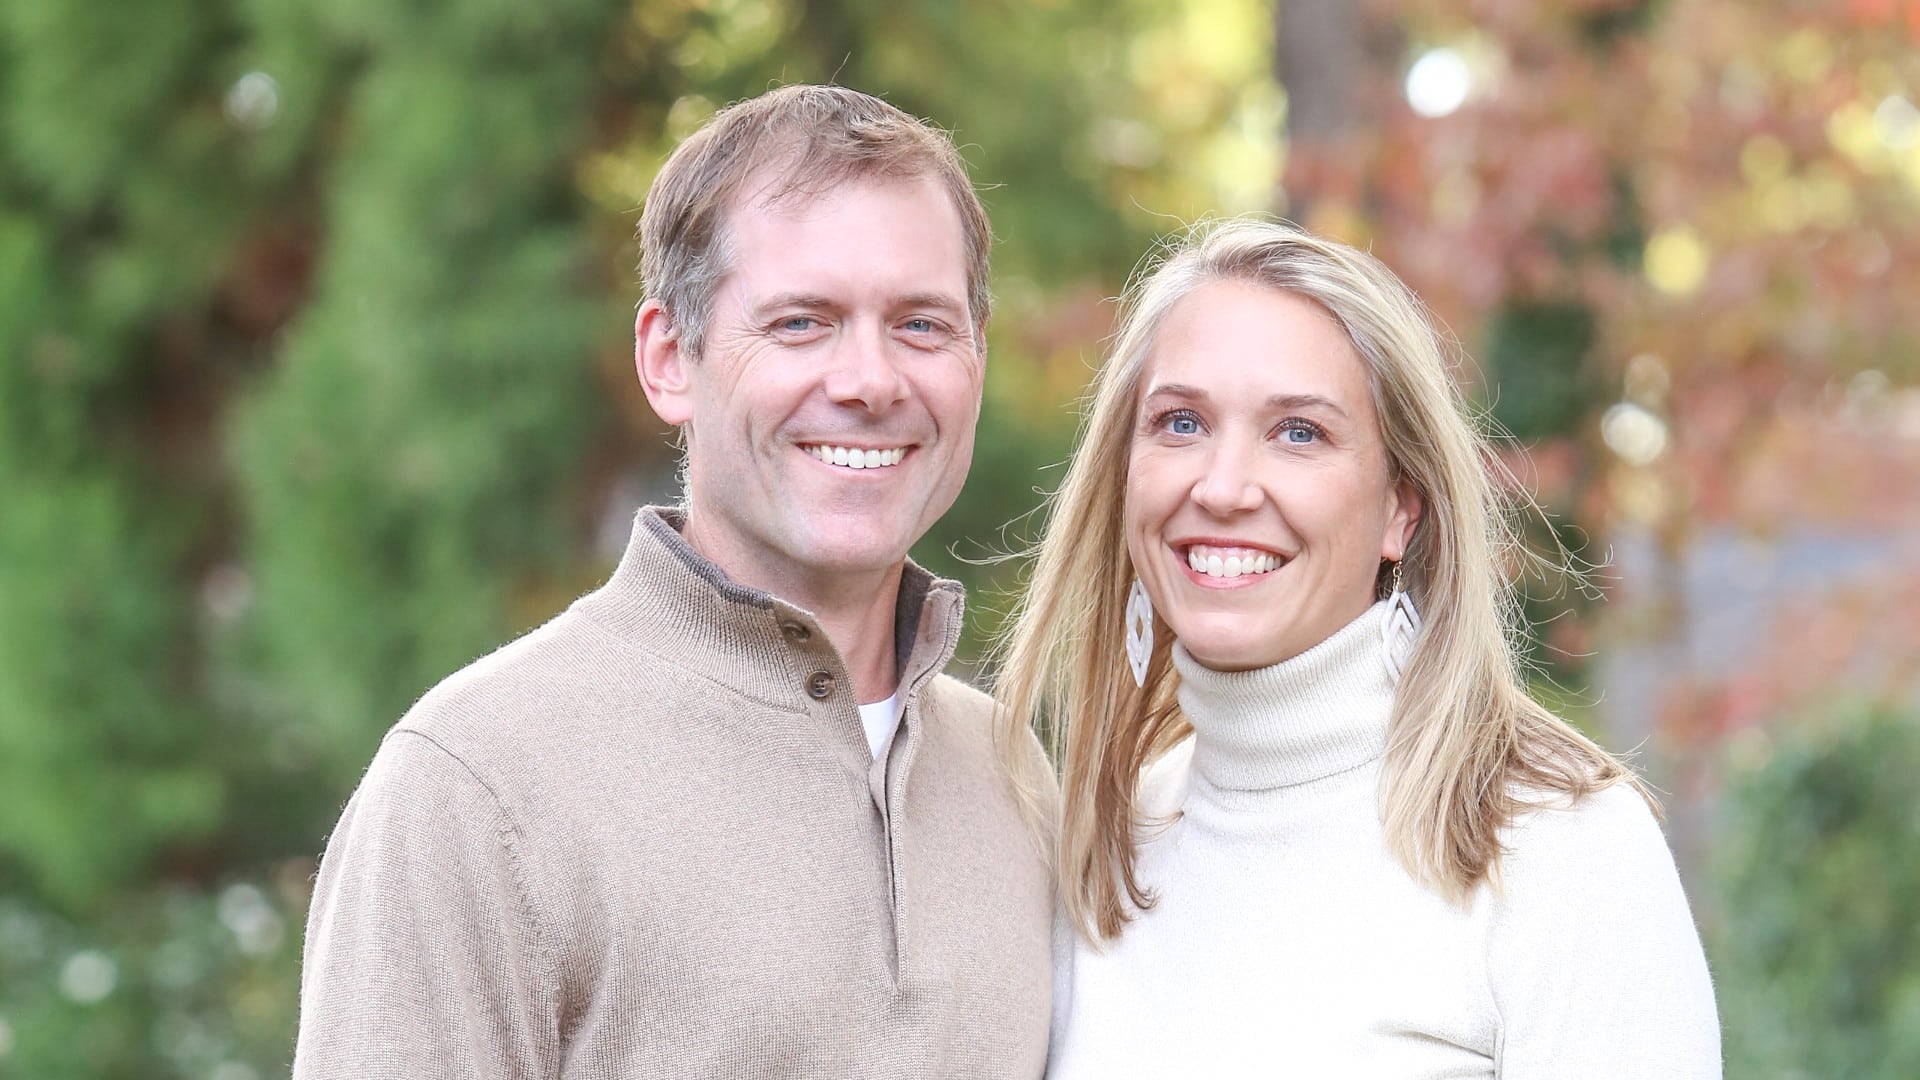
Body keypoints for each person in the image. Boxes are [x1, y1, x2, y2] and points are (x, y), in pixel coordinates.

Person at [294, 85, 1054, 1078]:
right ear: (668, 360)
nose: (870, 381)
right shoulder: (478, 785)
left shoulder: (1012, 777)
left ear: (976, 363)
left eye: (920, 325)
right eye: (800, 323)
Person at [993, 218, 1721, 1077]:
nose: (1222, 487)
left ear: (1398, 510)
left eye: (1298, 432)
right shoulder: (1110, 843)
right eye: (1182, 423)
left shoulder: (1560, 849)